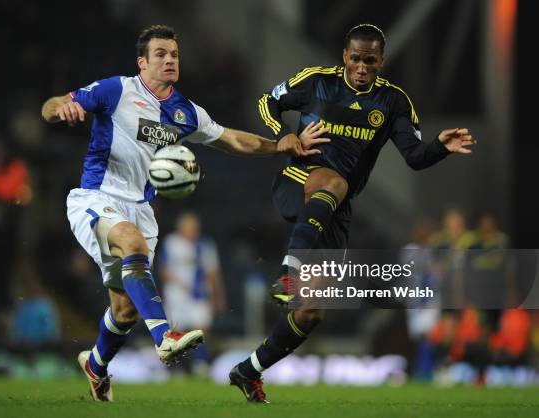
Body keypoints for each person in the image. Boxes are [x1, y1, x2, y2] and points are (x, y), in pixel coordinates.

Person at [41, 25, 318, 402]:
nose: (169, 60)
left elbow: (232, 139)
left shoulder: (186, 113)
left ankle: (97, 365)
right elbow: (51, 105)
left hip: (141, 210)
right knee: (131, 244)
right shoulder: (116, 90)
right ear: (142, 62)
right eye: (160, 54)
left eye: (174, 54)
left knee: (124, 312)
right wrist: (62, 108)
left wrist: (278, 146)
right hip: (96, 196)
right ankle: (165, 337)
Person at [229, 23, 477, 403]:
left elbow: (414, 157)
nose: (362, 67)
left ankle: (248, 370)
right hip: (300, 179)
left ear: (381, 62)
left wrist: (439, 147)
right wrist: (284, 134)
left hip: (335, 209)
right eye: (356, 59)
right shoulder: (316, 82)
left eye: (370, 61)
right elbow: (268, 100)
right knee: (335, 183)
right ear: (345, 57)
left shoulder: (393, 102)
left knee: (312, 312)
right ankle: (287, 273)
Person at [159, 212, 225, 376]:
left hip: (199, 295)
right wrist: (179, 286)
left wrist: (218, 296)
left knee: (201, 329)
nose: (193, 230)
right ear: (180, 228)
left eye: (195, 227)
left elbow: (213, 272)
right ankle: (176, 367)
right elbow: (164, 269)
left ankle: (200, 363)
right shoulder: (171, 243)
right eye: (189, 227)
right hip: (176, 295)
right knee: (175, 332)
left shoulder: (205, 245)